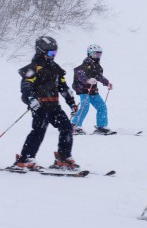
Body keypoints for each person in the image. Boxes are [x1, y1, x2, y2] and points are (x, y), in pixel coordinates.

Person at [14, 36, 80, 170]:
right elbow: (26, 86)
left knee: (67, 128)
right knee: (39, 131)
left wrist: (71, 102)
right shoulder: (34, 68)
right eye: (51, 53)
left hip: (54, 106)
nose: (53, 56)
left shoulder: (55, 68)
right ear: (40, 51)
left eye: (55, 53)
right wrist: (31, 99)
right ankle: (25, 158)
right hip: (40, 106)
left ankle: (63, 157)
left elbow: (63, 87)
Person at [71, 44, 114, 135]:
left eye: (99, 54)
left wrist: (107, 83)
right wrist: (87, 80)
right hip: (83, 90)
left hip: (93, 90)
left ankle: (101, 126)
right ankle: (75, 125)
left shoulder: (97, 66)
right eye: (95, 54)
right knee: (85, 106)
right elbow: (80, 75)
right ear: (90, 54)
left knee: (102, 107)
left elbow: (99, 76)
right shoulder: (83, 66)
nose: (98, 56)